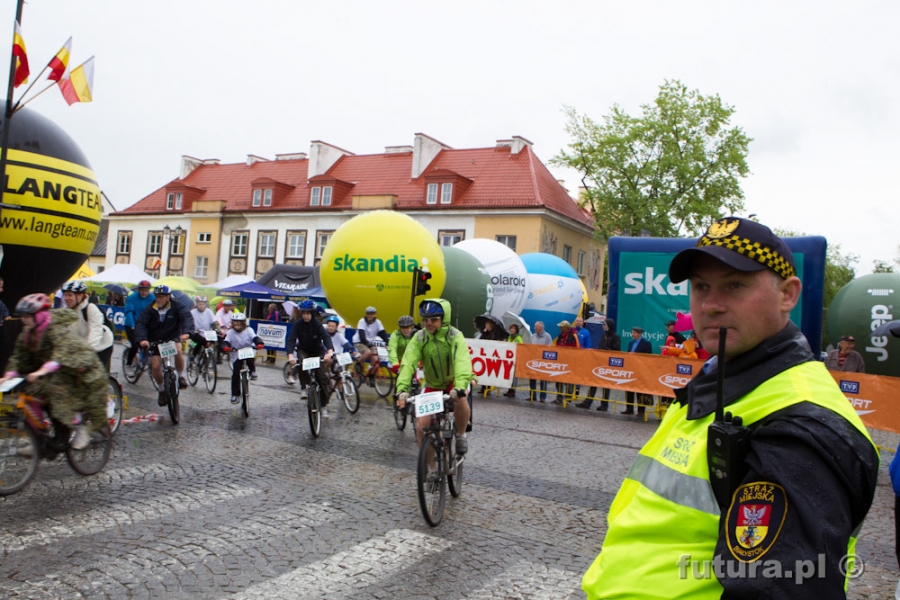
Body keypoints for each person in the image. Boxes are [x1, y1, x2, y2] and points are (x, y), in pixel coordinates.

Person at [582, 216, 878, 598]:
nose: (711, 305)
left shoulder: (799, 427)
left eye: (734, 286)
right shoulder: (723, 378)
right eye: (701, 286)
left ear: (788, 294)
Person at [0, 294, 107, 449]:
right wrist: (8, 376)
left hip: (74, 367)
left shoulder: (55, 330)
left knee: (58, 393)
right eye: (22, 316)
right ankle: (37, 439)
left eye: (28, 316)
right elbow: (18, 358)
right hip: (50, 371)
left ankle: (79, 425)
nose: (24, 319)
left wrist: (41, 371)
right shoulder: (26, 334)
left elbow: (60, 355)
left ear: (40, 315)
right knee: (31, 396)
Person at [396, 298, 473, 454]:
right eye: (425, 320)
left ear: (444, 320)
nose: (428, 323)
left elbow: (461, 361)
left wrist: (459, 386)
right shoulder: (419, 337)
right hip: (432, 385)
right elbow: (408, 362)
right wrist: (402, 389)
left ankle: (460, 434)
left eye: (434, 319)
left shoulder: (454, 336)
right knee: (421, 427)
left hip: (453, 381)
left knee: (462, 398)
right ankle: (431, 470)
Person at [134, 285, 194, 406]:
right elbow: (141, 323)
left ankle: (181, 376)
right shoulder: (151, 308)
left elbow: (186, 317)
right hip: (156, 339)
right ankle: (162, 390)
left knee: (177, 349)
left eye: (161, 297)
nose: (159, 299)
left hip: (172, 336)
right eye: (157, 297)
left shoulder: (177, 305)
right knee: (155, 366)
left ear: (168, 297)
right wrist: (142, 339)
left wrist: (187, 332)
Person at [286, 299, 334, 414]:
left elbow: (325, 337)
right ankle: (304, 387)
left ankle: (323, 405)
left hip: (317, 351)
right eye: (304, 313)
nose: (306, 316)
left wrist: (330, 351)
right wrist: (290, 355)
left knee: (321, 377)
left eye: (308, 313)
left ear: (312, 313)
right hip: (303, 349)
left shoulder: (317, 324)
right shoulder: (298, 324)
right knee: (301, 362)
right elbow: (291, 339)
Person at [61, 281, 115, 371]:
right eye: (65, 295)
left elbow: (95, 332)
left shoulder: (91, 308)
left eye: (70, 295)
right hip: (83, 346)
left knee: (90, 375)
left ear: (80, 296)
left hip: (101, 346)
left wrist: (85, 357)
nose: (66, 298)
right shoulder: (68, 311)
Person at [221, 312, 264, 404]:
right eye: (235, 324)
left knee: (250, 359)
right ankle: (235, 395)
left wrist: (259, 343)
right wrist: (225, 346)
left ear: (243, 324)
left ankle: (253, 371)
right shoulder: (231, 332)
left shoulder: (249, 330)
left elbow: (255, 337)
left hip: (248, 350)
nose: (236, 326)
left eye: (239, 324)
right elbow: (226, 341)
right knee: (236, 372)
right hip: (236, 352)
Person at [577, 318, 620, 411]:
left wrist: (605, 351)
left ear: (608, 326)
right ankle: (587, 402)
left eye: (604, 325)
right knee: (593, 383)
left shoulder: (615, 337)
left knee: (605, 385)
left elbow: (617, 351)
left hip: (608, 365)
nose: (602, 326)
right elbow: (600, 346)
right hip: (600, 363)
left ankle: (604, 404)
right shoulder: (604, 336)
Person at [621, 325, 653, 417]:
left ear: (639, 334)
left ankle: (641, 410)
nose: (632, 334)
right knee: (629, 390)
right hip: (631, 369)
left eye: (634, 333)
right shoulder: (631, 344)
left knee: (640, 390)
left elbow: (648, 357)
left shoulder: (646, 344)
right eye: (632, 333)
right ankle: (629, 408)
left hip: (641, 370)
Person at [123, 280, 155, 367]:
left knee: (151, 343)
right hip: (132, 324)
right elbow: (129, 312)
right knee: (135, 345)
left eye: (146, 290)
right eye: (142, 290)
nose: (144, 292)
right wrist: (132, 325)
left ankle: (146, 360)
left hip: (145, 325)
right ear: (139, 290)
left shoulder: (152, 298)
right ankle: (129, 363)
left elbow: (156, 311)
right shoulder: (132, 298)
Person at [352, 306, 389, 379]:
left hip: (369, 343)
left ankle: (371, 376)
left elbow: (382, 333)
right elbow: (362, 336)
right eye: (368, 314)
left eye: (372, 314)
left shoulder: (378, 322)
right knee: (368, 352)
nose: (370, 316)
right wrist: (369, 345)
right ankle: (358, 363)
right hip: (359, 341)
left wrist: (388, 343)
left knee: (375, 361)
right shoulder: (362, 321)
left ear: (375, 315)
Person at [552, 320, 579, 404]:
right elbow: (557, 347)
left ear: (566, 327)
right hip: (561, 361)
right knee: (558, 380)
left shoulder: (573, 336)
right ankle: (559, 397)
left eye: (561, 327)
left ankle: (568, 398)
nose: (559, 328)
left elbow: (578, 348)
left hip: (570, 362)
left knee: (568, 381)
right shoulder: (560, 336)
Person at [188, 295, 221, 364]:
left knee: (216, 342)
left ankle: (212, 358)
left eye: (203, 304)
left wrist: (219, 329)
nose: (201, 306)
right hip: (196, 332)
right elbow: (189, 322)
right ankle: (193, 356)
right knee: (201, 341)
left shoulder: (209, 311)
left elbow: (214, 322)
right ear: (197, 304)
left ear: (206, 304)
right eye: (200, 304)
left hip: (207, 333)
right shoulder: (193, 312)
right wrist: (192, 330)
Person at [528, 321, 553, 402]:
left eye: (536, 327)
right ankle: (532, 395)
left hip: (543, 361)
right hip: (533, 361)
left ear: (541, 328)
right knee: (532, 379)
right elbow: (529, 346)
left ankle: (542, 396)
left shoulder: (547, 336)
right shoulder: (533, 336)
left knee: (543, 380)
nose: (534, 328)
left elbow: (550, 348)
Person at [503, 324, 524, 397]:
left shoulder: (518, 338)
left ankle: (513, 390)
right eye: (511, 328)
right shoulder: (509, 337)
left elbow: (520, 346)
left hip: (516, 358)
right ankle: (509, 389)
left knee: (514, 375)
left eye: (514, 329)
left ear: (516, 330)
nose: (512, 330)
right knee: (510, 374)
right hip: (509, 359)